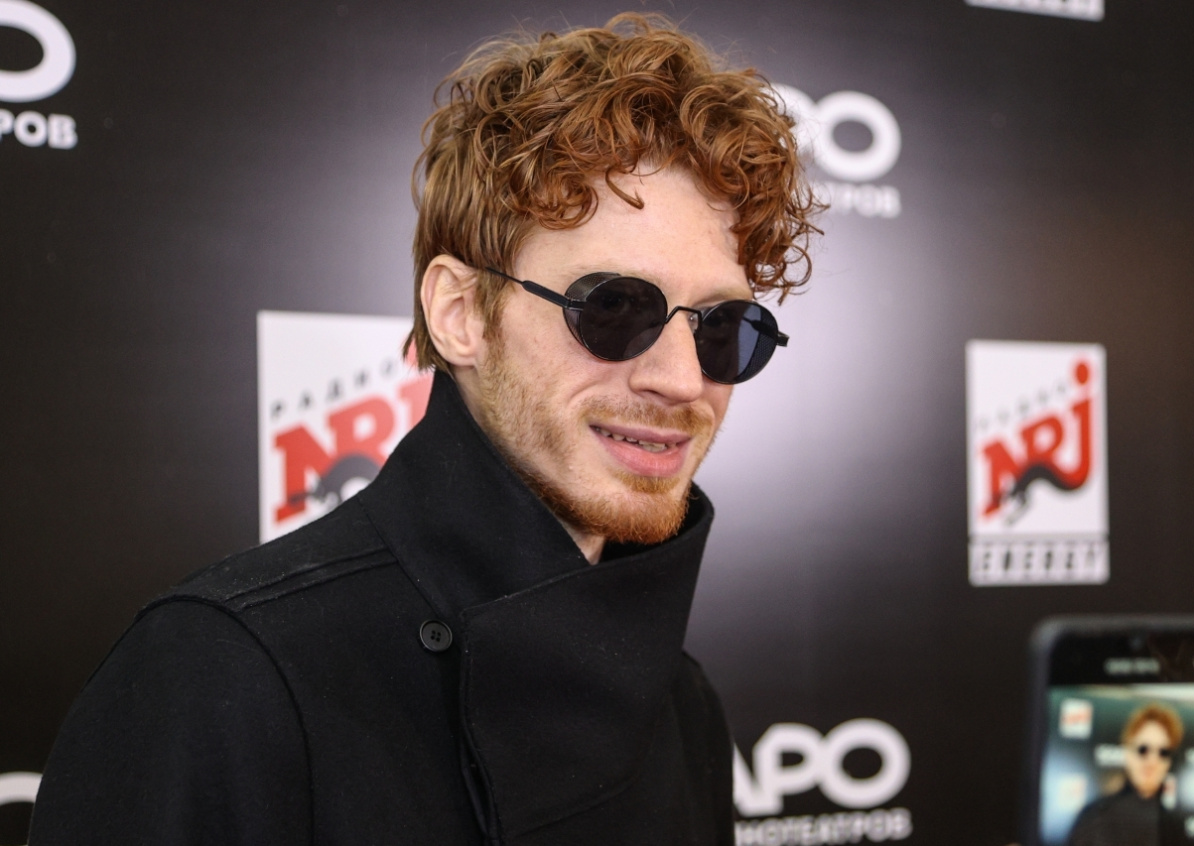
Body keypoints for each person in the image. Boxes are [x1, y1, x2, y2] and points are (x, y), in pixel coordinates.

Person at [29, 13, 818, 846]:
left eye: (724, 327)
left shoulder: (683, 703)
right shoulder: (222, 672)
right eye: (615, 308)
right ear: (459, 314)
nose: (682, 380)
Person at [1068, 703, 1188, 846]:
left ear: (1169, 763)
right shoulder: (1094, 818)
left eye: (1163, 752)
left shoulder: (1175, 828)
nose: (1152, 761)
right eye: (1143, 749)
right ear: (1127, 752)